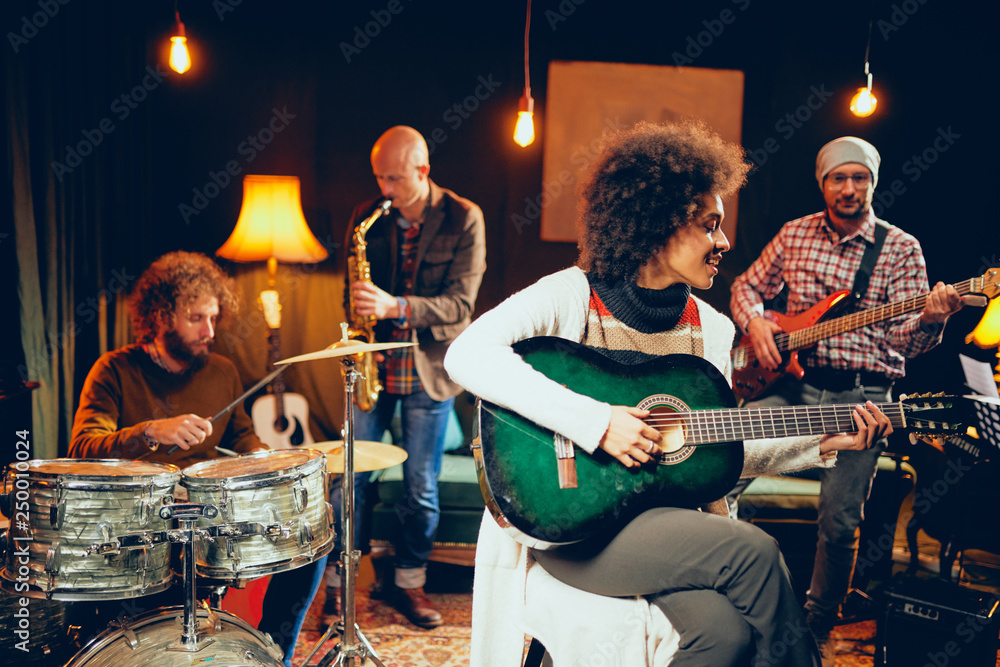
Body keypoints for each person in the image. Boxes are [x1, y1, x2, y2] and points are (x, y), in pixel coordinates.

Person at [443, 121, 892, 667]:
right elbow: (465, 355)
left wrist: (823, 442)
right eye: (710, 226)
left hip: (660, 526)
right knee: (754, 550)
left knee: (723, 636)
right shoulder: (570, 295)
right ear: (657, 226)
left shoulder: (713, 329)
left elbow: (706, 447)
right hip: (572, 526)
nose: (724, 242)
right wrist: (598, 421)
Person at [728, 136, 965, 663]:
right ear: (822, 182)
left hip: (864, 394)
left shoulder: (901, 248)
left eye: (860, 178)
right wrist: (758, 323)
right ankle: (724, 584)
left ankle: (814, 625)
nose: (849, 188)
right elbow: (745, 287)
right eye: (839, 177)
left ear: (874, 184)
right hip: (789, 386)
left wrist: (931, 318)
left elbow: (906, 341)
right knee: (723, 466)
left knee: (839, 522)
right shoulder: (794, 234)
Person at [69, 250, 325, 667]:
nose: (209, 330)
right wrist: (151, 431)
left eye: (213, 317)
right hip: (146, 523)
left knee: (307, 530)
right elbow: (83, 448)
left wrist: (264, 460)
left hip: (213, 518)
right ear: (160, 316)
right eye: (196, 319)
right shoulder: (114, 370)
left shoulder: (221, 370)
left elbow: (243, 437)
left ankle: (275, 652)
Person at [325, 125, 486, 628]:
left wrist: (396, 305)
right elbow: (352, 292)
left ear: (423, 170)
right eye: (379, 178)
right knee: (348, 483)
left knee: (420, 488)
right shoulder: (367, 217)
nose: (385, 190)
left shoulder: (465, 218)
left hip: (428, 373)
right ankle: (337, 589)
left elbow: (461, 307)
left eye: (394, 178)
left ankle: (408, 585)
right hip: (373, 367)